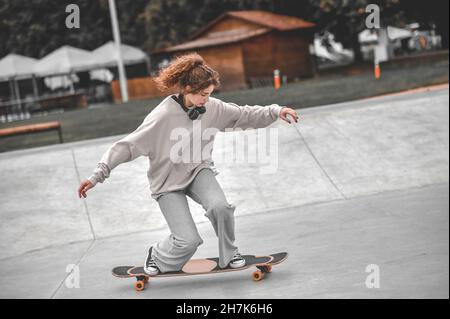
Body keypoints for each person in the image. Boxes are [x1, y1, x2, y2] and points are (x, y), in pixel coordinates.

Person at [77, 53, 299, 276]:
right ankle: (156, 255)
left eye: (210, 94)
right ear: (187, 89)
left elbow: (244, 115)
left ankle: (230, 254)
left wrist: (276, 111)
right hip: (167, 182)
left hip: (198, 170)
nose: (206, 99)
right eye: (202, 94)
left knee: (220, 207)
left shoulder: (213, 107)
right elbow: (127, 146)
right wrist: (97, 176)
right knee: (188, 241)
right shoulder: (161, 116)